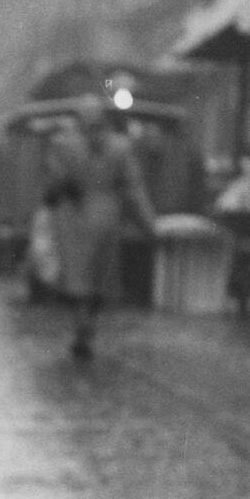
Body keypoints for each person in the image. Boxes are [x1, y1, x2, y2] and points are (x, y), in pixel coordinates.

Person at [45, 110, 158, 359]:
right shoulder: (121, 149)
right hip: (106, 215)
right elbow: (133, 189)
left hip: (75, 216)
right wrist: (148, 225)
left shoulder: (66, 147)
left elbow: (56, 182)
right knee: (98, 278)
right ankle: (88, 327)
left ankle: (81, 326)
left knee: (78, 278)